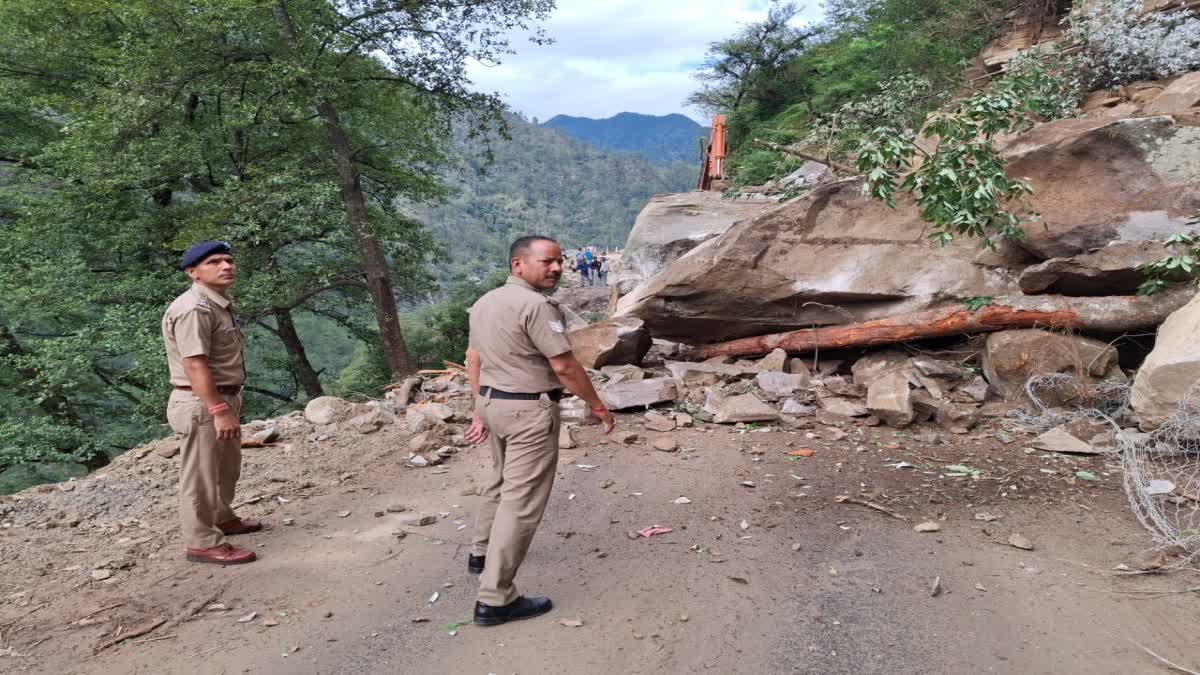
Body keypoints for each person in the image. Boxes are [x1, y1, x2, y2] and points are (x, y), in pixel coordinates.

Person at [464, 235, 616, 626]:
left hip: (493, 403)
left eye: (560, 261)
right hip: (527, 409)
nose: (557, 268)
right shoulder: (535, 306)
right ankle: (496, 598)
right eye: (547, 261)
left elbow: (473, 358)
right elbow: (564, 366)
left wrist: (478, 408)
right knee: (522, 501)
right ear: (518, 264)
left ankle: (480, 554)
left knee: (498, 481)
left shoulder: (484, 303)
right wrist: (596, 404)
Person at [161, 240, 261, 565]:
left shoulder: (217, 303)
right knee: (201, 476)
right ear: (194, 272)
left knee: (224, 468)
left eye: (229, 260)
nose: (226, 266)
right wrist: (218, 410)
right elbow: (195, 365)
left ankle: (222, 516)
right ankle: (201, 542)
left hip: (220, 398)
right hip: (201, 403)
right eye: (214, 262)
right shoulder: (193, 309)